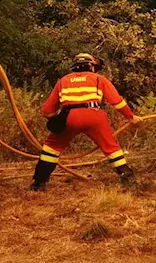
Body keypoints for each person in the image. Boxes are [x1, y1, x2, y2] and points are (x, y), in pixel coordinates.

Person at [31, 53, 138, 191]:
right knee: (111, 148)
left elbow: (47, 111)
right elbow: (117, 102)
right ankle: (129, 180)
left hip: (69, 116)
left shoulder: (63, 81)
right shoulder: (99, 79)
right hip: (95, 116)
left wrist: (59, 119)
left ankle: (39, 184)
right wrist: (131, 117)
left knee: (51, 148)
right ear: (91, 66)